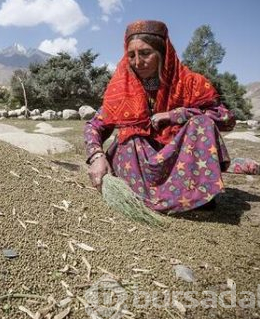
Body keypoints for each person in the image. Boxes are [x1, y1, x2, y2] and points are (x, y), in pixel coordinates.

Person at [84, 19, 244, 213]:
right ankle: (148, 197)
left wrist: (176, 114)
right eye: (131, 55)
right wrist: (97, 157)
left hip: (179, 164)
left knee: (202, 122)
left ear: (163, 53)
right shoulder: (123, 88)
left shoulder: (190, 83)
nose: (137, 62)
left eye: (145, 53)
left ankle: (194, 194)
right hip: (139, 165)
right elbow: (95, 125)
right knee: (129, 135)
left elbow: (225, 118)